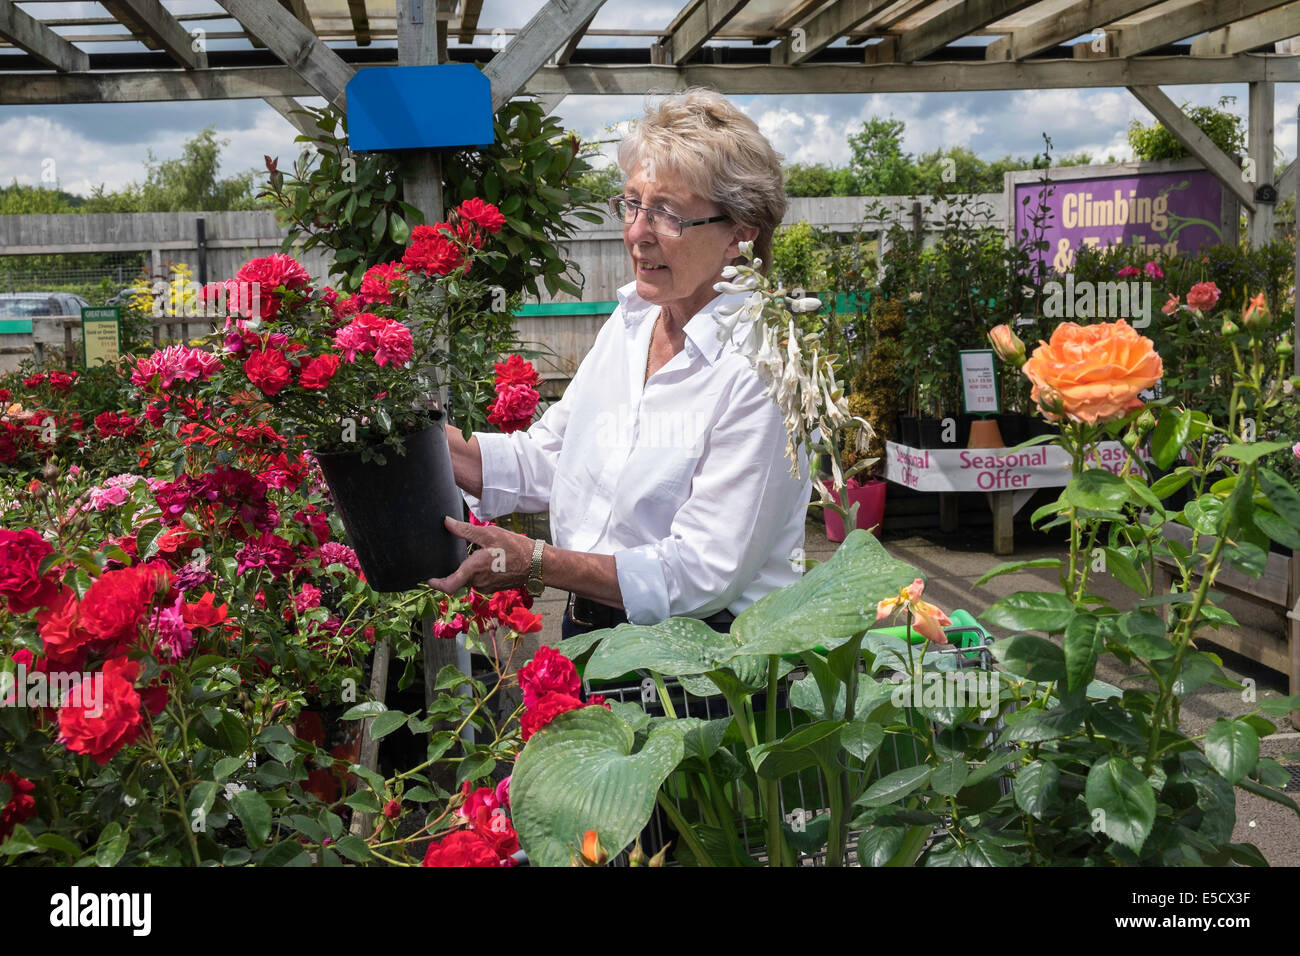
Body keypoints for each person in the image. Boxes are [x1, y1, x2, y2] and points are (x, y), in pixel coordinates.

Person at [428, 88, 812, 638]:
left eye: (669, 213)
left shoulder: (762, 366)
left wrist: (537, 561)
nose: (636, 233)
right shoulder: (632, 322)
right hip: (590, 626)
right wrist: (426, 445)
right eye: (632, 203)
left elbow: (705, 572)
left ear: (741, 234)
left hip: (703, 667)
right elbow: (552, 459)